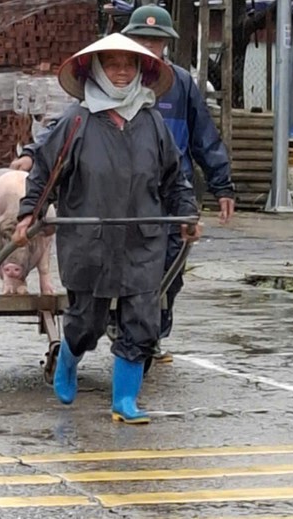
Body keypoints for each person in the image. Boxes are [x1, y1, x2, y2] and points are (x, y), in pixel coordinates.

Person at [12, 4, 234, 350]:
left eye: (155, 43)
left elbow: (201, 141)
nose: (125, 69)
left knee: (155, 294)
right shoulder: (80, 117)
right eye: (140, 40)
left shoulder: (174, 96)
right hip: (95, 221)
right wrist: (30, 202)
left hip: (153, 213)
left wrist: (217, 189)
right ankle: (89, 344)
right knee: (90, 314)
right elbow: (53, 153)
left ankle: (138, 361)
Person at [12, 33, 201, 424]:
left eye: (128, 65)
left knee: (143, 318)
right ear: (96, 69)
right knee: (87, 321)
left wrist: (185, 213)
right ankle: (68, 355)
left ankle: (124, 400)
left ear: (140, 72)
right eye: (112, 64)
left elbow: (174, 177)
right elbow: (45, 172)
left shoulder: (151, 122)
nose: (120, 71)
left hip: (142, 237)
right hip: (88, 237)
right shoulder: (76, 121)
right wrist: (30, 213)